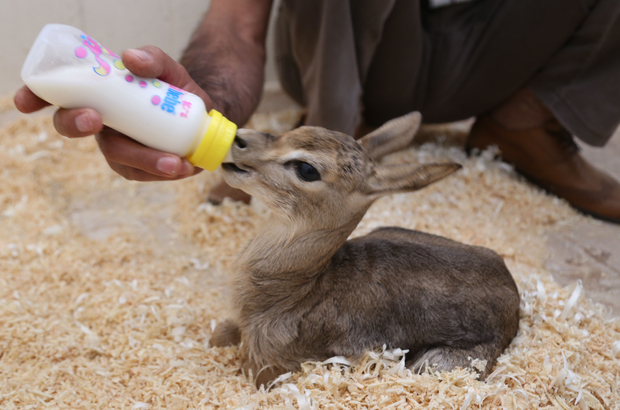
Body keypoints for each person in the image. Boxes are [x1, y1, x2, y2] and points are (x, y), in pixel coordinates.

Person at [14, 0, 620, 223]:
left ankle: (527, 122)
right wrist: (211, 107)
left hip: (488, 40)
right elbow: (237, 20)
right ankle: (329, 130)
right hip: (365, 50)